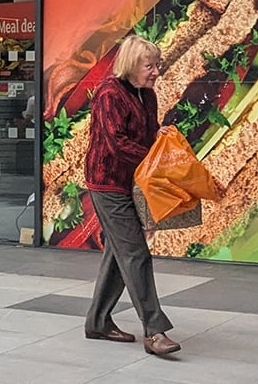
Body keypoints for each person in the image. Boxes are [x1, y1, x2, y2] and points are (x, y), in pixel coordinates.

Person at [83, 35, 180, 356]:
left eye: (157, 65)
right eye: (149, 65)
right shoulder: (109, 94)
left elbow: (147, 134)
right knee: (136, 253)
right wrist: (154, 160)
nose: (156, 71)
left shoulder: (146, 94)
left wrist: (160, 137)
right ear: (130, 65)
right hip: (107, 183)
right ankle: (155, 331)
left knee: (119, 253)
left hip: (131, 182)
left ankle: (98, 321)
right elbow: (117, 143)